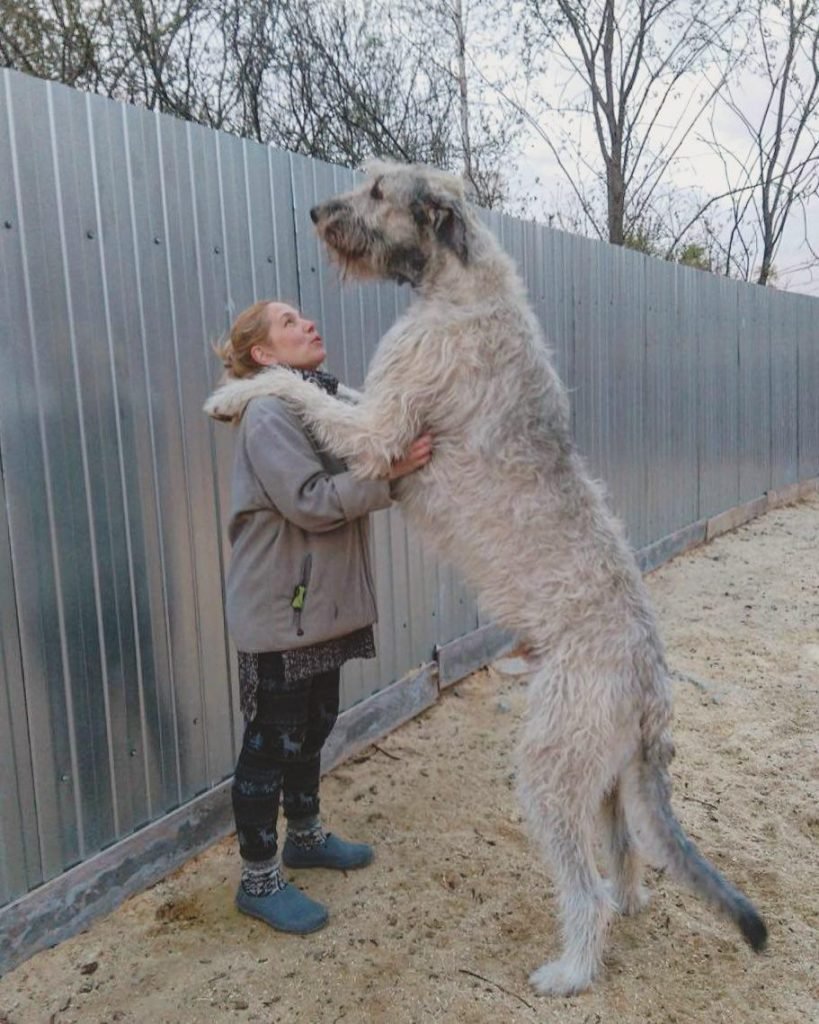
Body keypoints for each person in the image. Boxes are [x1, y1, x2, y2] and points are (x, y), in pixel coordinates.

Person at [207, 299, 432, 935]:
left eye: (303, 317)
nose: (307, 324)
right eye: (288, 322)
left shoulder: (321, 405)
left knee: (315, 723)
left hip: (318, 606)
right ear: (263, 355)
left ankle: (304, 834)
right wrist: (391, 472)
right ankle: (258, 878)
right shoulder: (270, 411)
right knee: (271, 739)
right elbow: (309, 501)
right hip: (281, 608)